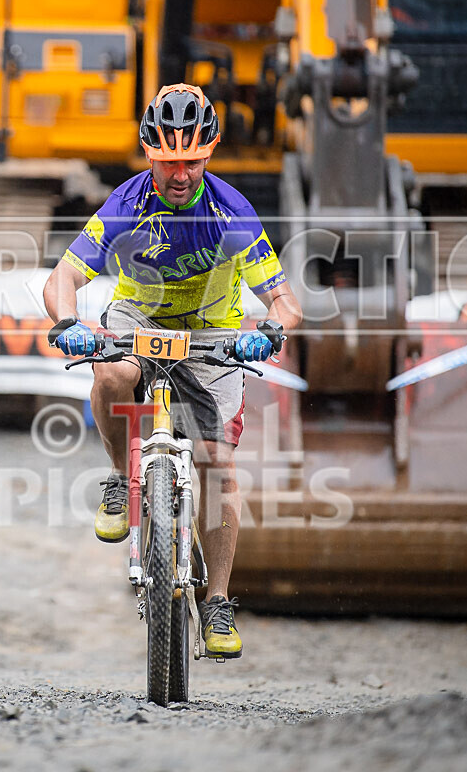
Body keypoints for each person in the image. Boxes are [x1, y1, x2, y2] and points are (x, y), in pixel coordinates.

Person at [43, 83, 302, 659]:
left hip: (214, 331)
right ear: (147, 156)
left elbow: (285, 302)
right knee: (111, 375)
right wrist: (67, 320)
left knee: (217, 463)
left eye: (190, 162)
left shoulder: (231, 212)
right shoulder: (129, 202)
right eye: (166, 163)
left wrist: (270, 332)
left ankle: (217, 603)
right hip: (140, 317)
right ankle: (119, 477)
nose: (178, 175)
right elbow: (62, 278)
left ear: (209, 155)